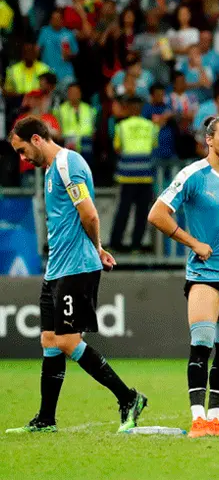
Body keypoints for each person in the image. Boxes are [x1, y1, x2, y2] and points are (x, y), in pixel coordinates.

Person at [5, 116, 147, 434]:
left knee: (68, 340)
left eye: (22, 150)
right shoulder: (51, 172)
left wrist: (96, 248)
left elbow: (90, 213)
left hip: (77, 268)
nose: (23, 158)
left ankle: (129, 397)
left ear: (37, 140)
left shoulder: (69, 164)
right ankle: (45, 419)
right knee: (49, 341)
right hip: (56, 269)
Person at [147, 116, 219, 438]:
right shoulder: (192, 176)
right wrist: (193, 242)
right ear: (209, 140)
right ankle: (197, 419)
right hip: (204, 273)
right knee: (202, 342)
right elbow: (157, 214)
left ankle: (214, 419)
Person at [109, 96, 157, 251]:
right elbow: (153, 145)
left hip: (127, 176)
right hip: (145, 175)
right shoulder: (151, 126)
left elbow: (117, 148)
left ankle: (116, 244)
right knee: (142, 213)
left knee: (123, 211)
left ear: (129, 109)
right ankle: (137, 245)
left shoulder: (121, 126)